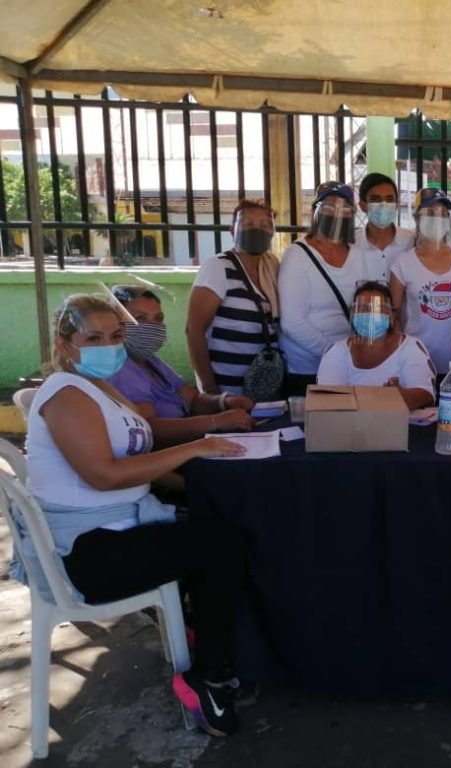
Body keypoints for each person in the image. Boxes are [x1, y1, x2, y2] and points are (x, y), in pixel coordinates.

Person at [19, 293, 249, 736]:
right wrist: (197, 447)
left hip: (117, 527)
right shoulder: (67, 394)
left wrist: (201, 478)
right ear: (65, 345)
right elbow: (104, 475)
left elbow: (138, 458)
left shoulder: (99, 386)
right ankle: (209, 678)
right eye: (93, 338)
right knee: (222, 544)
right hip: (88, 553)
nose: (108, 346)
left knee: (217, 525)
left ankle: (196, 631)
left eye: (115, 335)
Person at [109, 285, 255, 445]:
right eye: (140, 318)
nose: (153, 326)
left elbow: (191, 399)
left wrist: (224, 402)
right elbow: (148, 429)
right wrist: (216, 421)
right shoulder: (120, 369)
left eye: (158, 318)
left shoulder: (151, 361)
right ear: (117, 325)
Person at [278, 182, 375, 397]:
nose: (337, 213)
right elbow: (292, 322)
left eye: (345, 209)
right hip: (307, 368)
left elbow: (364, 305)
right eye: (329, 207)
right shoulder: (297, 255)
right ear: (315, 211)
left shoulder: (357, 253)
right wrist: (336, 353)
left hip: (350, 368)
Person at [186, 200, 280, 396]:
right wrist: (210, 388)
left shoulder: (273, 266)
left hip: (267, 386)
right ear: (232, 230)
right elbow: (194, 331)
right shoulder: (218, 267)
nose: (257, 229)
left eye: (265, 225)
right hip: (227, 391)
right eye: (248, 223)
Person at [390, 189, 451, 373]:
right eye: (430, 213)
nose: (437, 219)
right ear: (417, 218)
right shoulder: (403, 263)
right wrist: (400, 356)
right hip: (416, 361)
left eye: (443, 214)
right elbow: (395, 316)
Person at [316, 281, 436, 409]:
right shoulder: (337, 351)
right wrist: (382, 398)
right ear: (353, 314)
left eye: (377, 309)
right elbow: (327, 400)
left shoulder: (410, 348)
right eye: (363, 309)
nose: (370, 314)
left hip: (399, 421)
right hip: (350, 422)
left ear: (391, 315)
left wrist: (401, 396)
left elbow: (426, 395)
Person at [352, 172, 416, 282]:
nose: (383, 205)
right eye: (376, 199)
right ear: (363, 206)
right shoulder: (352, 243)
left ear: (397, 204)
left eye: (389, 199)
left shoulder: (411, 241)